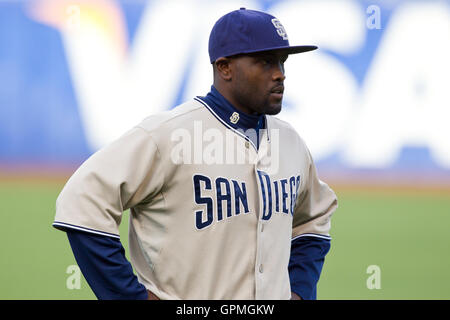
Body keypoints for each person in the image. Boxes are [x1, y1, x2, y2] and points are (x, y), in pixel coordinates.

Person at [53, 8, 337, 300]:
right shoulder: (168, 135)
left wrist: (300, 291)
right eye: (265, 62)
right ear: (225, 67)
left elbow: (313, 218)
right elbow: (82, 201)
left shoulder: (291, 142)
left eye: (281, 61)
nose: (279, 74)